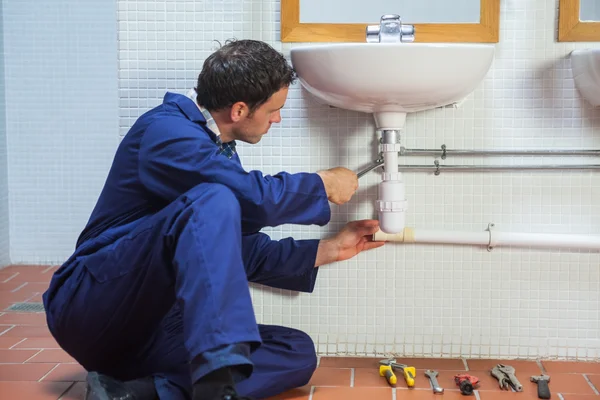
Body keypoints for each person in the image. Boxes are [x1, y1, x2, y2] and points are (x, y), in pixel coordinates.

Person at [42, 39, 385, 400]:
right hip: (96, 303)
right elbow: (254, 199)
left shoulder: (214, 155)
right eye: (273, 110)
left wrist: (332, 249)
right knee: (217, 196)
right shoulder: (164, 132)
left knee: (295, 350)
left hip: (149, 331)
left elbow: (238, 250)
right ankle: (215, 385)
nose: (277, 118)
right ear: (239, 110)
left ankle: (133, 393)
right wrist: (321, 184)